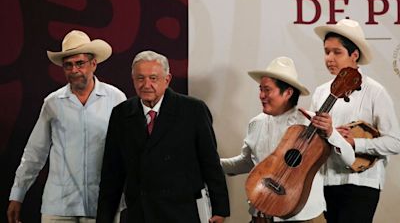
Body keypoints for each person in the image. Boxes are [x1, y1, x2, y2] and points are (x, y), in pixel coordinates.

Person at [96, 50, 230, 223]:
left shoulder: (192, 110)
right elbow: (112, 173)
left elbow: (210, 162)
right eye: (140, 78)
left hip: (181, 212)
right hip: (139, 213)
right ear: (133, 80)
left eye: (153, 78)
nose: (146, 84)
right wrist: (104, 218)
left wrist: (220, 208)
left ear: (167, 80)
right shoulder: (121, 114)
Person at [7, 30, 127, 223]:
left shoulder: (116, 99)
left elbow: (128, 151)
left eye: (80, 63)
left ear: (93, 64)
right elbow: (34, 153)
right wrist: (17, 195)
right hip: (59, 206)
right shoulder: (53, 103)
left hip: (102, 203)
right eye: (68, 65)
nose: (74, 70)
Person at [220, 56, 355, 223]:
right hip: (261, 215)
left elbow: (349, 159)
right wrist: (210, 163)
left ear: (288, 93)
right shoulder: (256, 123)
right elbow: (248, 162)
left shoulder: (312, 122)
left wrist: (331, 133)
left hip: (303, 217)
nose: (261, 95)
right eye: (260, 89)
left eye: (267, 90)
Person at [312, 19, 400, 223]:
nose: (329, 58)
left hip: (362, 184)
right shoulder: (320, 92)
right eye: (326, 51)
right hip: (326, 183)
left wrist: (355, 142)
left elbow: (395, 141)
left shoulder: (375, 91)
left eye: (337, 52)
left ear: (354, 55)